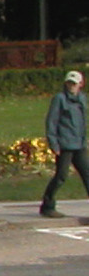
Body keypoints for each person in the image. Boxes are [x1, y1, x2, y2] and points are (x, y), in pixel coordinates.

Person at [42, 70, 89, 217]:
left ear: (81, 84)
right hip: (64, 145)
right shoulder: (59, 99)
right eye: (69, 83)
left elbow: (83, 122)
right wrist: (53, 143)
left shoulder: (82, 98)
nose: (71, 86)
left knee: (87, 174)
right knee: (61, 176)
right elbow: (51, 121)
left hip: (79, 144)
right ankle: (47, 206)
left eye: (74, 84)